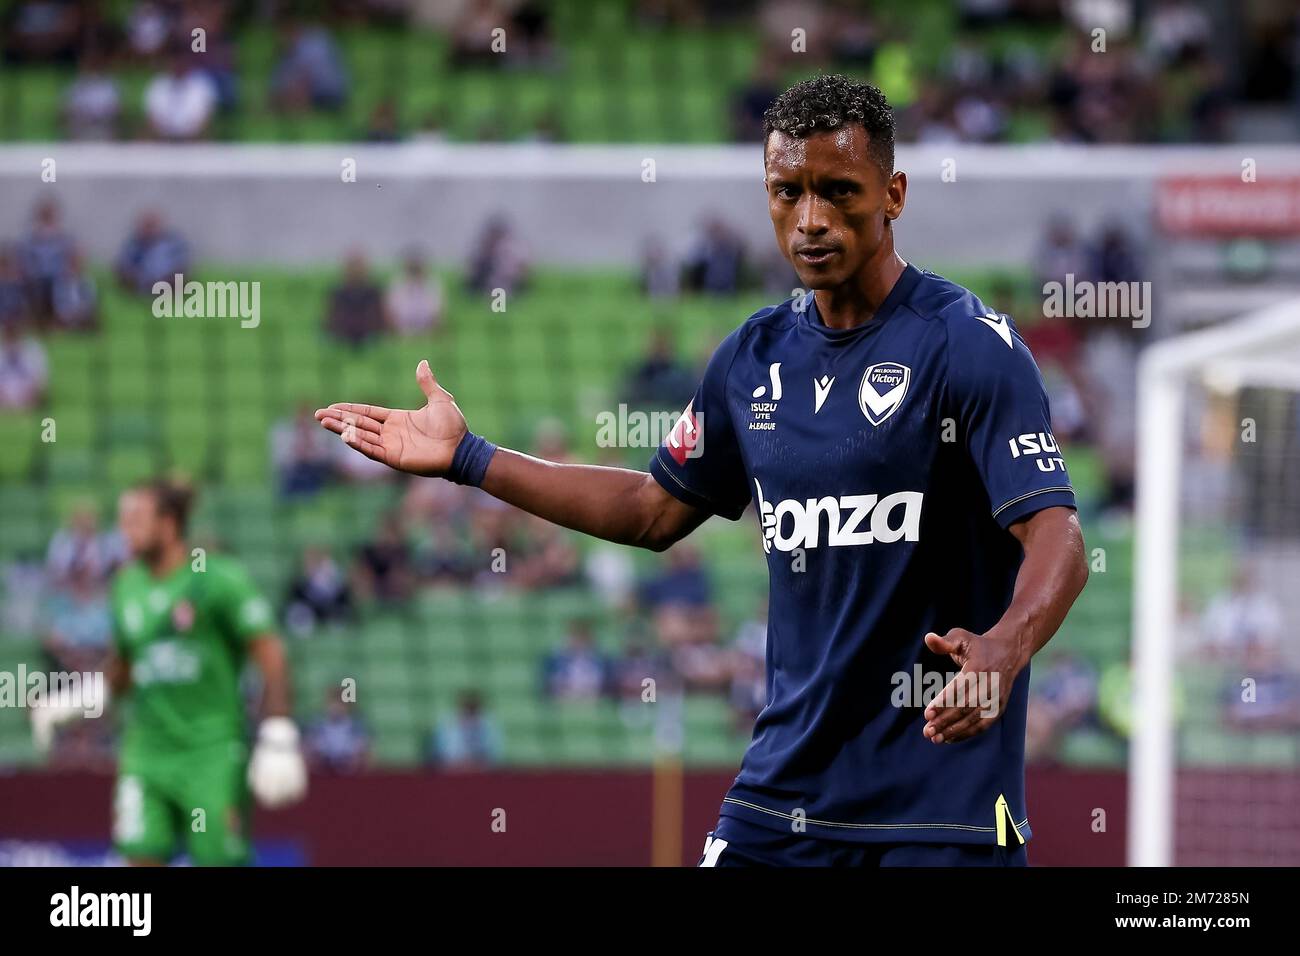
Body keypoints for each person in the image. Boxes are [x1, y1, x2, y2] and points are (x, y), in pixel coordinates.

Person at [315, 75, 1088, 868]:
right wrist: (471, 458)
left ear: (893, 194)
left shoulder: (967, 345)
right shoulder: (751, 360)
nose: (811, 219)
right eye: (788, 192)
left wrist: (1006, 645)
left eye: (839, 192)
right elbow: (651, 511)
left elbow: (1057, 533)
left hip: (939, 814)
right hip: (782, 797)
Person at [105, 479, 307, 865]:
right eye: (122, 520)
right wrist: (75, 699)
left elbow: (271, 653)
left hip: (211, 752)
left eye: (135, 519)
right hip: (145, 754)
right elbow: (123, 668)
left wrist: (278, 730)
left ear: (168, 524)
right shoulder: (125, 586)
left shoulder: (218, 579)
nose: (124, 530)